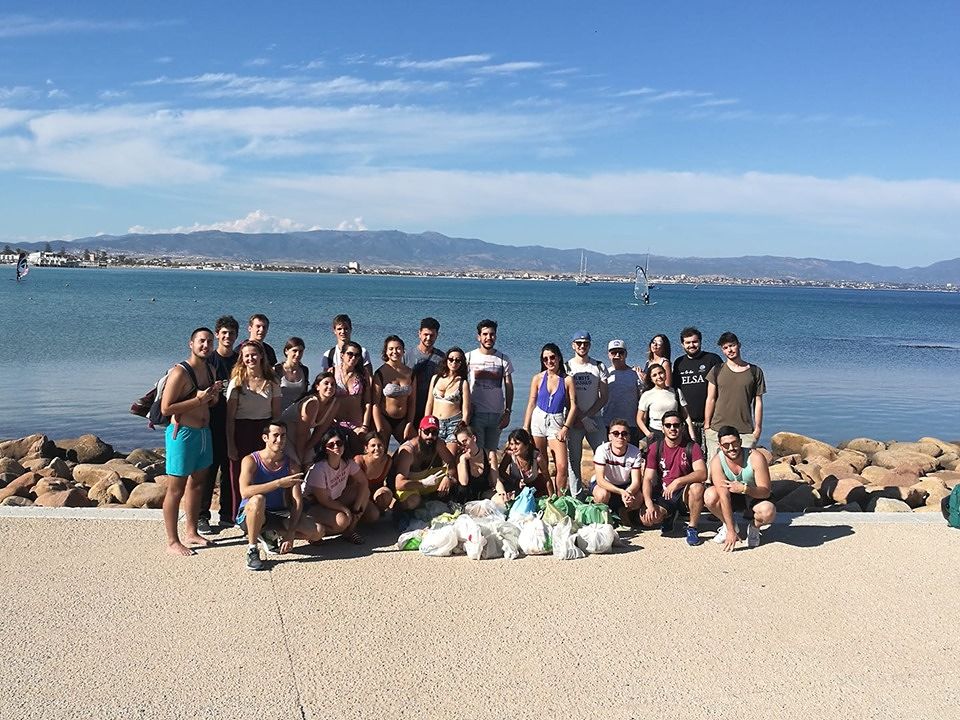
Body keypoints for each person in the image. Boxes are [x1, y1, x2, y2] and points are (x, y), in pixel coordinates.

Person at [160, 327, 221, 556]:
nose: (206, 345)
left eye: (209, 342)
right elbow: (167, 408)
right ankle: (172, 541)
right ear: (191, 344)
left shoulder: (211, 369)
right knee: (175, 490)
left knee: (197, 484)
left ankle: (191, 531)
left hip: (204, 433)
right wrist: (198, 400)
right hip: (183, 434)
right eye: (201, 341)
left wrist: (212, 397)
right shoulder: (180, 373)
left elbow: (209, 403)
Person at [236, 421, 324, 571]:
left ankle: (270, 535)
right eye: (275, 435)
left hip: (279, 513)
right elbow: (245, 492)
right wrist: (278, 483)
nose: (279, 440)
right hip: (252, 513)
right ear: (265, 438)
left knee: (317, 532)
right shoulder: (251, 460)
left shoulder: (291, 464)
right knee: (258, 499)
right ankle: (252, 550)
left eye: (283, 436)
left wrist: (291, 533)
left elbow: (297, 500)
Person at [226, 340, 282, 525]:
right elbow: (230, 417)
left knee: (263, 472)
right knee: (239, 475)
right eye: (247, 355)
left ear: (261, 356)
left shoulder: (272, 380)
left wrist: (275, 440)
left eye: (254, 354)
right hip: (242, 430)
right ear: (242, 358)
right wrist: (231, 444)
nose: (250, 358)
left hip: (264, 430)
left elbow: (276, 414)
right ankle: (239, 515)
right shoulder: (237, 381)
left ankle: (264, 513)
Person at [639, 410, 707, 545]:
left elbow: (702, 473)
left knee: (697, 488)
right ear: (662, 428)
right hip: (664, 493)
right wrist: (649, 504)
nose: (672, 428)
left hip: (683, 493)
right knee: (647, 519)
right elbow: (647, 478)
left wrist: (678, 481)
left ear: (682, 426)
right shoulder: (655, 448)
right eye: (668, 425)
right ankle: (669, 515)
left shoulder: (691, 447)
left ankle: (692, 527)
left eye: (676, 425)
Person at [703, 426, 776, 550]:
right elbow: (723, 495)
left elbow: (765, 491)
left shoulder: (755, 457)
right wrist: (731, 530)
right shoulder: (717, 461)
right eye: (726, 445)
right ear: (720, 446)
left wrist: (744, 489)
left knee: (768, 511)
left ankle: (754, 528)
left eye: (734, 443)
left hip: (753, 494)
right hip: (731, 496)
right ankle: (728, 525)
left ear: (740, 442)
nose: (731, 448)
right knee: (710, 496)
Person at [199, 314, 239, 534]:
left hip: (233, 422)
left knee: (229, 468)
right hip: (210, 423)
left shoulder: (239, 361)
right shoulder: (209, 361)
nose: (227, 337)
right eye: (224, 333)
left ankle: (227, 513)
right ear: (217, 335)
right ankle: (201, 515)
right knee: (208, 470)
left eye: (231, 334)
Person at [703, 332, 767, 468]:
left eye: (732, 346)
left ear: (739, 345)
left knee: (744, 471)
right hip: (716, 429)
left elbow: (758, 402)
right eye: (725, 348)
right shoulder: (717, 370)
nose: (729, 350)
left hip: (745, 431)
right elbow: (710, 398)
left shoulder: (755, 372)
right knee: (714, 472)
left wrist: (758, 428)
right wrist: (707, 426)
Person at [522, 343, 577, 495]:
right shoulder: (538, 378)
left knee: (562, 466)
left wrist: (566, 427)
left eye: (552, 357)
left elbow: (573, 406)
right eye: (545, 359)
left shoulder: (567, 380)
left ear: (559, 358)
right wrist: (526, 427)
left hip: (557, 421)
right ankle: (548, 495)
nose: (549, 361)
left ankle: (560, 497)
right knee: (541, 462)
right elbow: (531, 402)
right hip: (538, 420)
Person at [302, 427, 372, 544]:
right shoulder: (319, 469)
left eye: (339, 443)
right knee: (342, 521)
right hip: (311, 505)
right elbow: (323, 500)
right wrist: (345, 510)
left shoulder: (348, 463)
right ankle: (314, 533)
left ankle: (350, 530)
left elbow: (363, 482)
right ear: (325, 449)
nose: (336, 447)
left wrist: (355, 509)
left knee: (365, 491)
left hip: (332, 499)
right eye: (331, 445)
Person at [565, 331, 608, 499]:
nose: (582, 346)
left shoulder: (598, 366)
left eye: (585, 343)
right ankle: (577, 496)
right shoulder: (567, 367)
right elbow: (566, 397)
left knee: (603, 456)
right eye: (578, 343)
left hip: (594, 419)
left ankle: (600, 492)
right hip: (573, 420)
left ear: (590, 345)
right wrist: (578, 417)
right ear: (573, 345)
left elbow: (604, 396)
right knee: (574, 460)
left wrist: (587, 416)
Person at [465, 319, 514, 467]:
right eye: (485, 334)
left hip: (496, 414)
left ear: (496, 336)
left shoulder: (503, 359)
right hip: (476, 414)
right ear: (478, 336)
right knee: (477, 452)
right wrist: (465, 407)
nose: (488, 337)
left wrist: (507, 412)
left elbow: (509, 387)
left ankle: (491, 483)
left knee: (492, 452)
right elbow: (461, 383)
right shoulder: (469, 357)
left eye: (492, 334)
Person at [672, 327, 722, 458]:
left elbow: (723, 387)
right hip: (688, 421)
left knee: (713, 455)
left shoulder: (712, 359)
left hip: (711, 420)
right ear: (682, 344)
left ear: (700, 342)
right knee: (690, 455)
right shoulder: (679, 362)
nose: (691, 345)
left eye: (694, 342)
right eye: (688, 343)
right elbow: (675, 390)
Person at [392, 416, 457, 510]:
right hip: (407, 484)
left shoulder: (437, 443)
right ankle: (399, 508)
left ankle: (435, 498)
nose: (430, 436)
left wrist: (448, 478)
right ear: (419, 431)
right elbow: (399, 484)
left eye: (434, 432)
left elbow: (450, 462)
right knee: (413, 501)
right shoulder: (408, 451)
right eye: (426, 432)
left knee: (454, 476)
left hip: (425, 478)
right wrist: (423, 483)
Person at [590, 419, 644, 526]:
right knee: (602, 495)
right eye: (615, 433)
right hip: (605, 485)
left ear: (628, 437)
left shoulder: (635, 452)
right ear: (609, 436)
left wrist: (628, 492)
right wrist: (621, 492)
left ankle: (623, 511)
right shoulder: (602, 450)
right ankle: (603, 516)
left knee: (638, 499)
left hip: (624, 485)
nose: (620, 437)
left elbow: (636, 482)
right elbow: (600, 480)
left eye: (624, 434)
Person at [280, 371, 339, 465]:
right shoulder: (312, 403)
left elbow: (319, 431)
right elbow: (301, 435)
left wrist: (307, 449)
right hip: (286, 431)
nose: (330, 387)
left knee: (310, 464)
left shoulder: (334, 403)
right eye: (326, 383)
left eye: (333, 384)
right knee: (296, 464)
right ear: (317, 386)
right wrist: (301, 458)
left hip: (303, 433)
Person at [425, 346, 471, 457]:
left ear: (461, 363)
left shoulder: (463, 383)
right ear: (446, 360)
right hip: (435, 423)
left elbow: (466, 410)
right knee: (432, 456)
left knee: (450, 457)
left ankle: (451, 474)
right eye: (451, 359)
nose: (453, 362)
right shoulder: (435, 378)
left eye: (457, 360)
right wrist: (426, 423)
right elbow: (429, 403)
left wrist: (462, 429)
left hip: (454, 424)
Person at [372, 335, 416, 446]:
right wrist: (379, 427)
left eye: (398, 348)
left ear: (403, 351)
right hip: (384, 418)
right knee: (381, 450)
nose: (395, 351)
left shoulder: (411, 373)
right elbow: (375, 404)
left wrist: (409, 424)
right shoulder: (380, 373)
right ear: (386, 352)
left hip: (403, 420)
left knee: (415, 447)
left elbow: (412, 402)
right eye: (391, 349)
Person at [332, 340, 374, 453]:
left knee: (357, 455)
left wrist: (365, 425)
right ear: (342, 355)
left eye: (357, 355)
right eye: (350, 354)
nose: (353, 357)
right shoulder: (332, 372)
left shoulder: (363, 374)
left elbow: (367, 402)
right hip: (336, 421)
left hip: (357, 424)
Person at [637, 364, 694, 445]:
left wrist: (692, 436)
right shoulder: (646, 395)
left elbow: (686, 416)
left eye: (660, 373)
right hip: (656, 433)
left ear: (665, 373)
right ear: (651, 379)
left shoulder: (676, 391)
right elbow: (639, 419)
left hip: (674, 432)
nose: (659, 376)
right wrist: (648, 434)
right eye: (654, 375)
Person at [601, 339, 642, 446]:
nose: (617, 355)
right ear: (608, 354)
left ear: (626, 354)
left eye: (621, 352)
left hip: (631, 425)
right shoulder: (604, 374)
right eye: (613, 352)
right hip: (608, 424)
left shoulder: (635, 374)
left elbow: (641, 399)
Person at [409, 317, 445, 423]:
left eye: (432, 335)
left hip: (433, 408)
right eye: (425, 334)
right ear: (419, 333)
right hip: (411, 407)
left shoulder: (442, 358)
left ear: (437, 335)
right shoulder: (407, 356)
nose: (428, 338)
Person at [497, 428, 550, 498]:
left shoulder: (537, 457)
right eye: (511, 444)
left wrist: (552, 498)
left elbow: (547, 478)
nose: (513, 448)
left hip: (534, 486)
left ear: (526, 445)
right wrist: (515, 482)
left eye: (517, 444)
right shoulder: (510, 455)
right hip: (515, 486)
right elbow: (501, 471)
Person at [354, 431, 394, 518]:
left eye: (380, 445)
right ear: (366, 448)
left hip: (375, 493)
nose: (377, 448)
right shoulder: (359, 461)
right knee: (373, 515)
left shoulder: (387, 461)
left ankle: (379, 510)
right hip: (361, 495)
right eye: (373, 446)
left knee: (387, 494)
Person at [453, 422, 494, 502]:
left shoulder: (489, 454)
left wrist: (502, 493)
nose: (463, 445)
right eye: (460, 443)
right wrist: (463, 459)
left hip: (483, 492)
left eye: (465, 441)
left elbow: (496, 480)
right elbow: (464, 482)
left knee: (500, 501)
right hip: (466, 497)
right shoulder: (460, 458)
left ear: (474, 438)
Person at [274, 337, 309, 414]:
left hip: (297, 414)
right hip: (279, 415)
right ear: (286, 351)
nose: (298, 354)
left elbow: (304, 394)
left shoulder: (304, 370)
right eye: (294, 351)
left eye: (301, 351)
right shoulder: (277, 370)